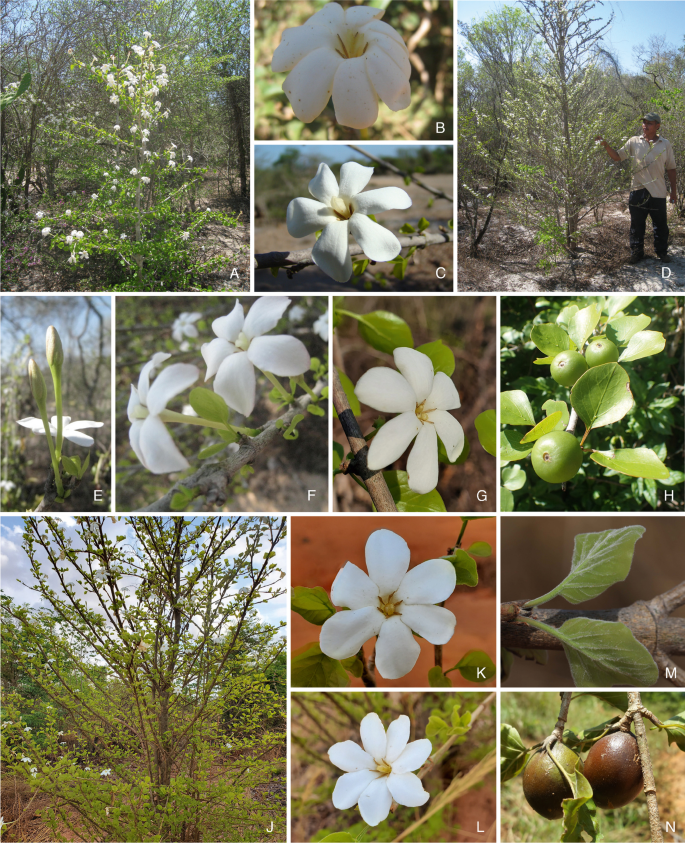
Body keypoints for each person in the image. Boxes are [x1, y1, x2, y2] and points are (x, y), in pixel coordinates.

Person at [595, 113, 677, 264]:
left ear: (658, 126)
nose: (645, 125)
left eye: (649, 123)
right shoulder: (634, 141)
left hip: (658, 192)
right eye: (644, 122)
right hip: (638, 191)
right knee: (637, 225)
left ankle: (662, 253)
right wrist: (606, 145)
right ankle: (636, 253)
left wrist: (673, 191)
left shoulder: (665, 144)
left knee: (660, 226)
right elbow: (617, 157)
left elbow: (671, 168)